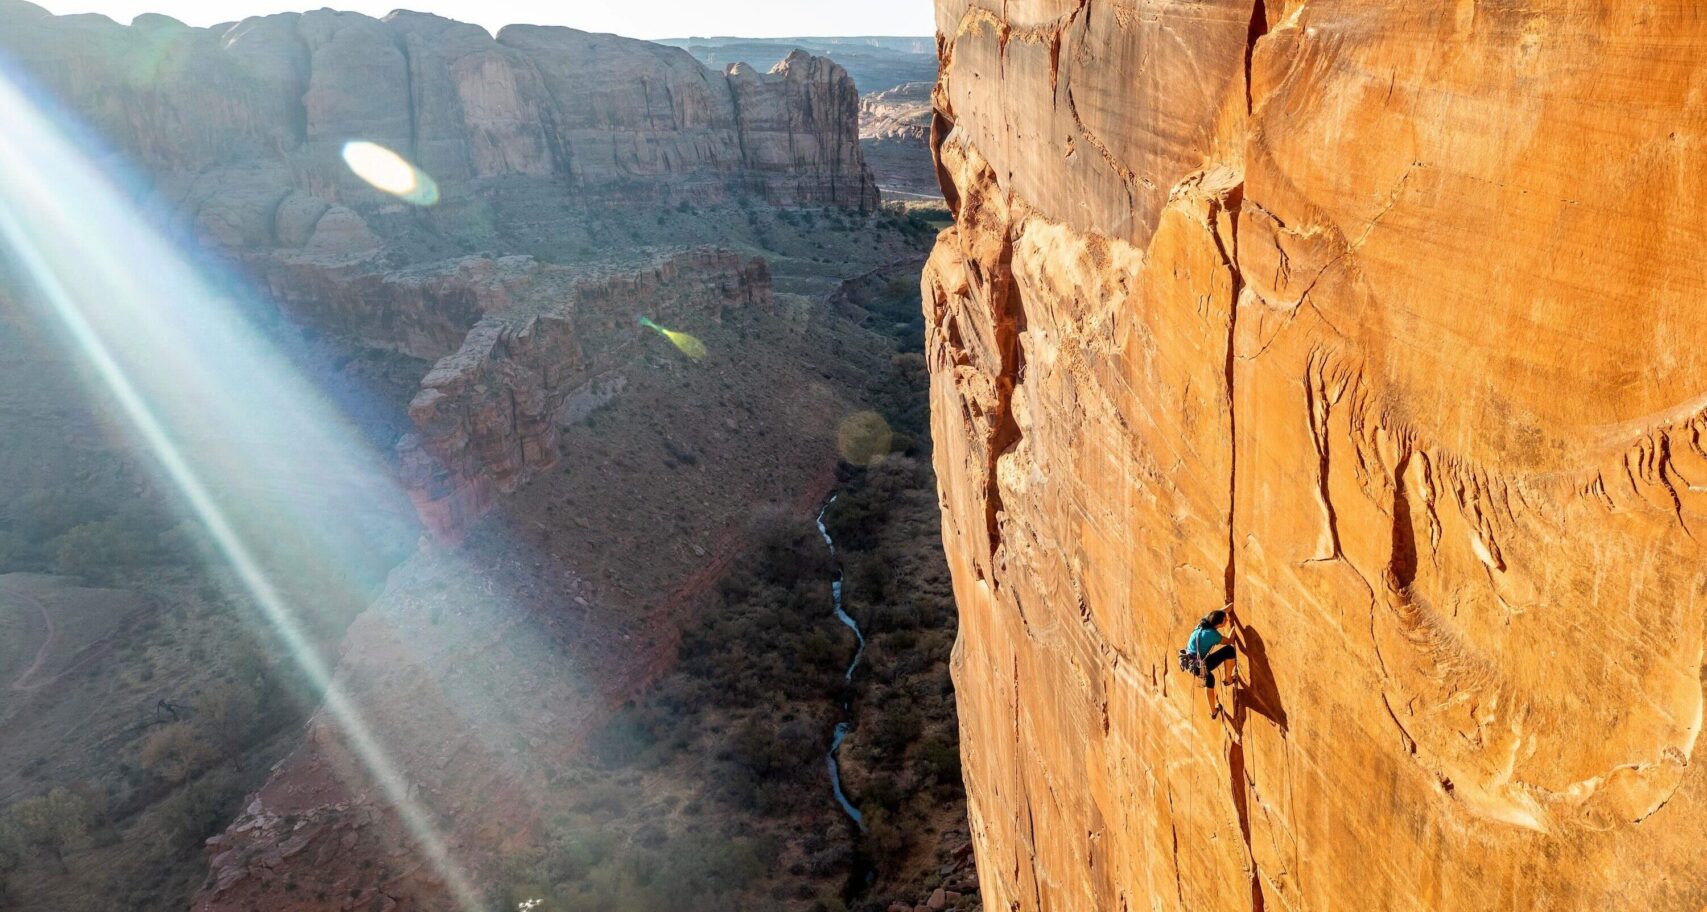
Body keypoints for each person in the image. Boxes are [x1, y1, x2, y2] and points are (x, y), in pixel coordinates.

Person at [1186, 609, 1237, 718]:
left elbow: (1225, 609)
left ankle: (1213, 712)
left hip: (1190, 660)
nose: (1227, 620)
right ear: (1219, 624)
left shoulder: (1204, 621)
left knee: (1210, 679)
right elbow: (1229, 641)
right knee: (1229, 650)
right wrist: (1234, 627)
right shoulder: (1212, 635)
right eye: (1225, 620)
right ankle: (1228, 679)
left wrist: (1228, 609)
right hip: (1199, 666)